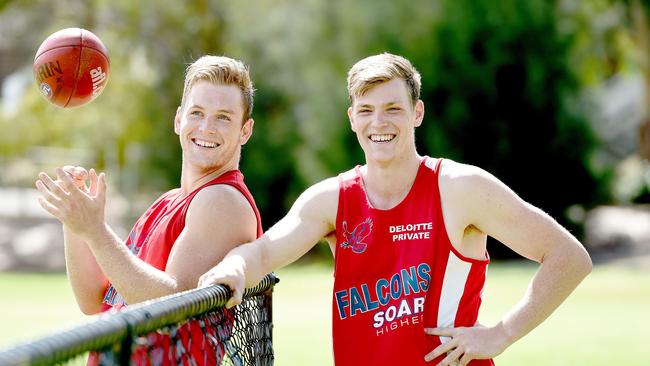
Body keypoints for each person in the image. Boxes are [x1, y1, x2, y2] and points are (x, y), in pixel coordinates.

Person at [198, 53, 592, 366]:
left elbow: (569, 257)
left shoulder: (459, 188)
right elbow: (265, 251)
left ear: (417, 113)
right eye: (366, 110)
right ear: (353, 119)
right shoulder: (332, 199)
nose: (379, 122)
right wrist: (236, 266)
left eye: (393, 108)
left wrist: (501, 334)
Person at [35, 55, 262, 365]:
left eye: (224, 117)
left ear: (245, 131)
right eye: (197, 112)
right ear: (178, 120)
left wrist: (95, 230)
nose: (207, 127)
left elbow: (175, 304)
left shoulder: (222, 200)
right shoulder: (168, 202)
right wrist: (76, 220)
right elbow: (94, 300)